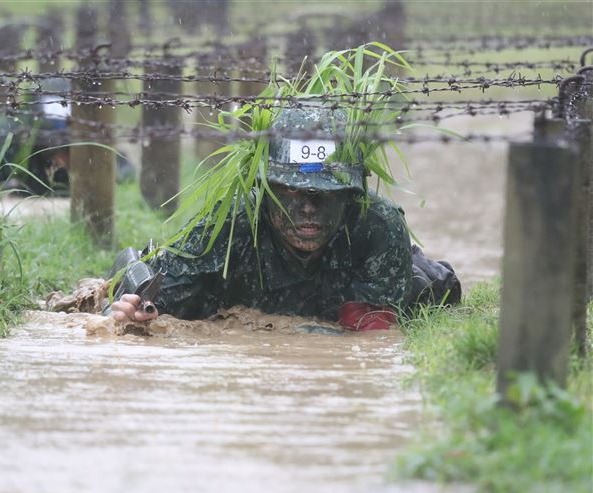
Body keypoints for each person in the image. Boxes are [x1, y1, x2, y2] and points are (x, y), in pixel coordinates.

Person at [107, 107, 461, 330]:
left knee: (427, 289)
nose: (308, 208)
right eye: (291, 192)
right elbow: (159, 300)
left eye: (325, 193)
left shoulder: (376, 228)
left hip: (347, 299)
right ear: (266, 190)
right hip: (235, 296)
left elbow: (369, 338)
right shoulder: (229, 224)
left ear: (350, 194)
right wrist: (133, 313)